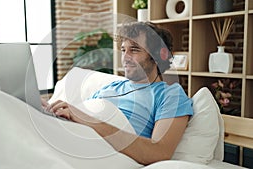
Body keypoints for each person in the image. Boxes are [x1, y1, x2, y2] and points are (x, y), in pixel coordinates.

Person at [43, 21, 193, 165]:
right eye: (123, 50)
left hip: (97, 152)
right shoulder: (112, 86)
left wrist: (84, 118)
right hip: (70, 137)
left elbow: (160, 152)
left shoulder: (170, 95)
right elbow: (81, 116)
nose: (125, 57)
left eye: (134, 49)